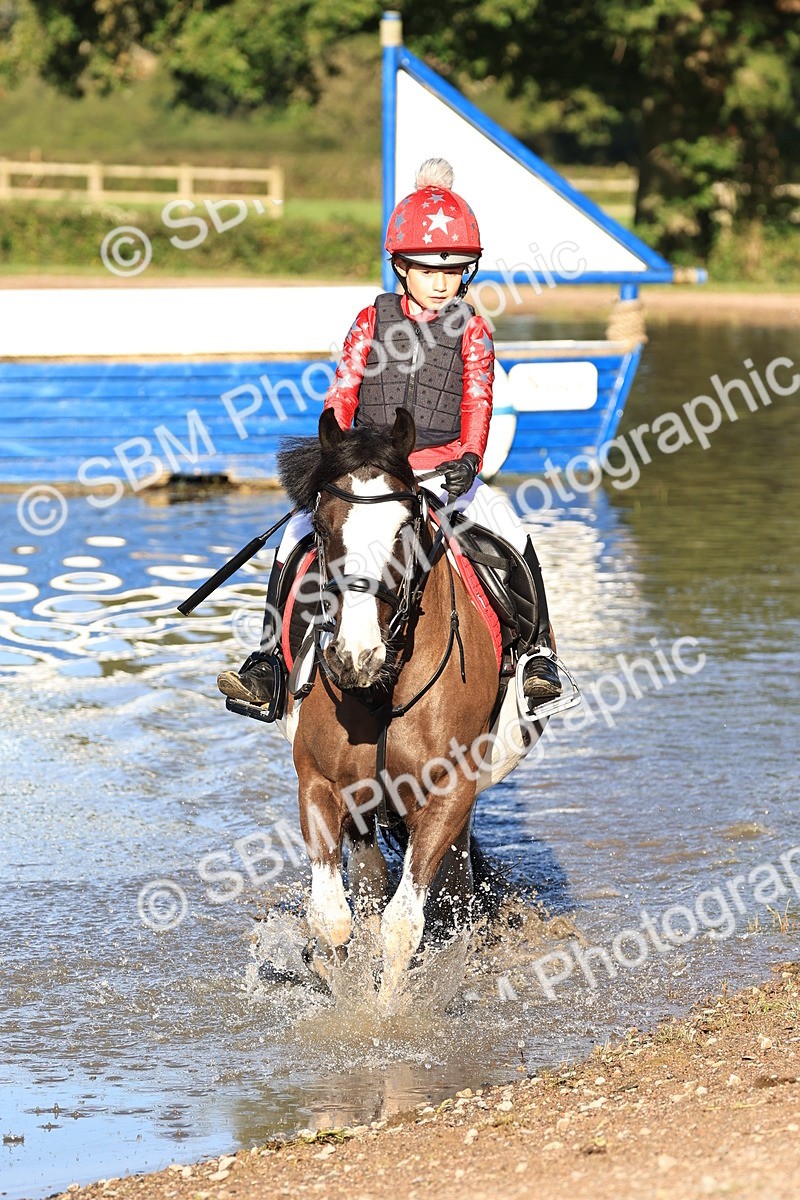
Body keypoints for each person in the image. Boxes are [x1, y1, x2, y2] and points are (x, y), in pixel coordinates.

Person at [218, 158, 565, 716]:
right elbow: (345, 386)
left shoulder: (472, 329)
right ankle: (268, 665)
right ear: (402, 267)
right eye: (429, 270)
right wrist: (337, 449)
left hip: (441, 470)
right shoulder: (369, 320)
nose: (441, 283)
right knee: (293, 541)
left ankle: (536, 659)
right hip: (371, 469)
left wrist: (472, 459)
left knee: (509, 525)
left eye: (453, 272)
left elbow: (479, 397)